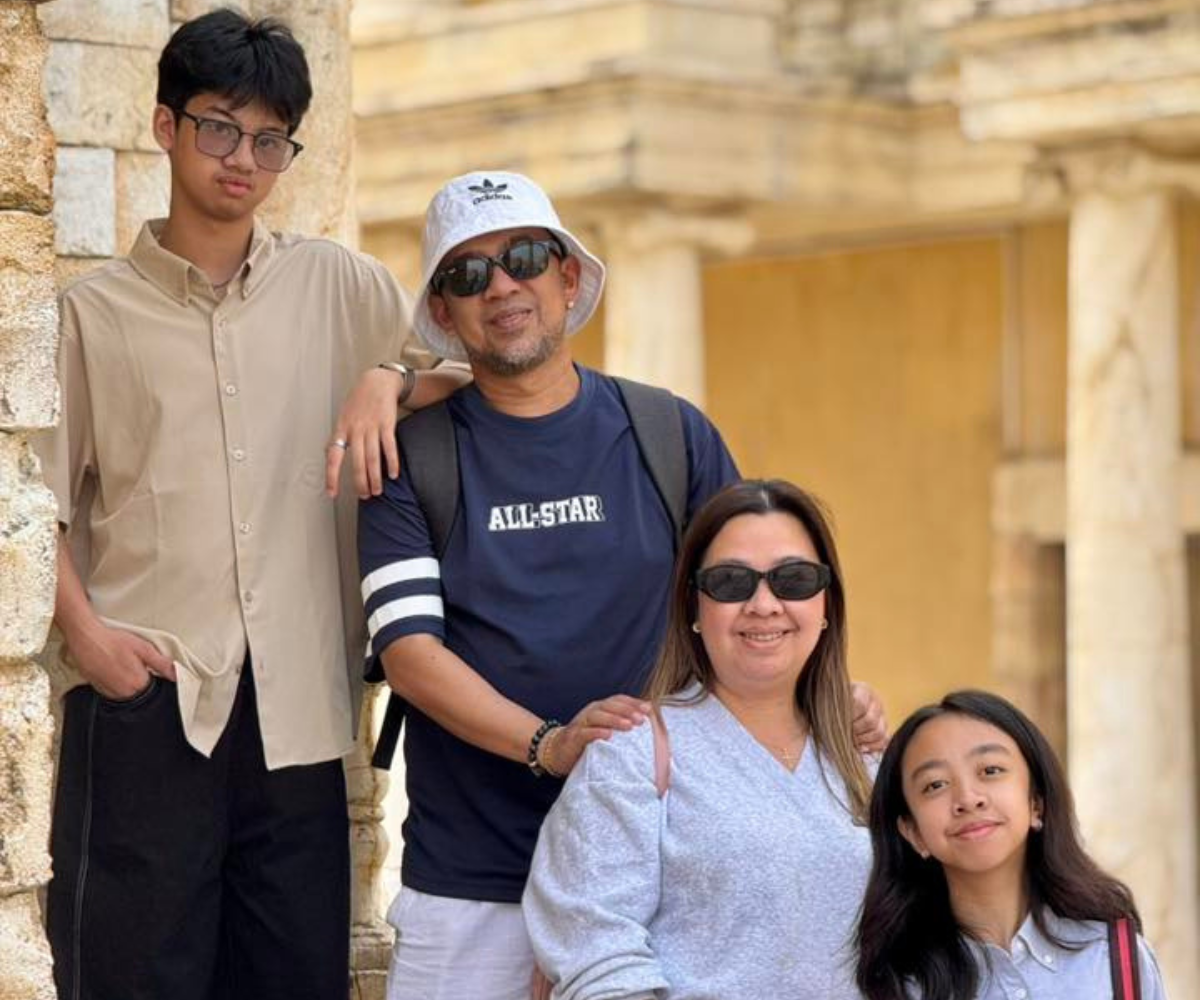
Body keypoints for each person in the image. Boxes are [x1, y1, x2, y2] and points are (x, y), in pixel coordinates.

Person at [357, 174, 887, 1000]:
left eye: (525, 259)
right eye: (468, 274)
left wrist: (823, 695)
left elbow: (752, 599)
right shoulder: (411, 456)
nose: (501, 286)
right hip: (473, 885)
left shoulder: (667, 432)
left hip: (664, 878)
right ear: (445, 313)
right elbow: (409, 653)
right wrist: (551, 743)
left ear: (568, 277)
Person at [37, 11, 464, 1000]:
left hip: (301, 715)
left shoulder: (343, 287)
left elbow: (468, 378)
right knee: (127, 983)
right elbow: (32, 504)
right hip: (147, 705)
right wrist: (92, 642)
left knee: (293, 981)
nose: (244, 159)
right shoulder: (88, 317)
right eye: (220, 128)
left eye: (271, 140)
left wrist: (388, 380)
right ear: (165, 125)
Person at [522, 478, 875, 999]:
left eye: (794, 579)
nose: (764, 603)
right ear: (693, 607)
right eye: (730, 581)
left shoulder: (868, 761)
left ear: (827, 604)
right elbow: (596, 947)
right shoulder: (631, 755)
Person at [855, 689, 1168, 1000]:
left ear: (1036, 802)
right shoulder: (895, 986)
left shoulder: (1116, 959)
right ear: (913, 832)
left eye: (990, 771)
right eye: (935, 785)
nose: (968, 799)